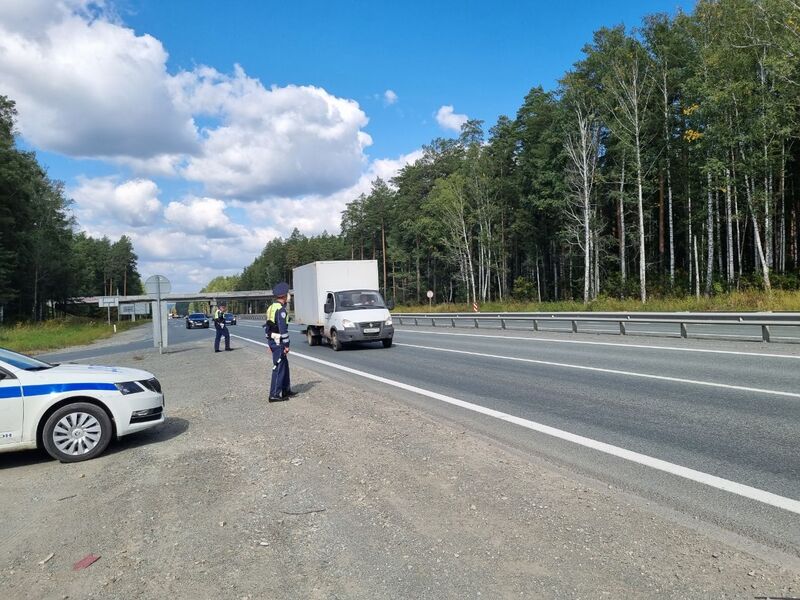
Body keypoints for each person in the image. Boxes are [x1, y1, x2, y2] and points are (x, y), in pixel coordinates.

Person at [266, 282, 296, 401]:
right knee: (278, 367)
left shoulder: (271, 307)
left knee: (284, 366)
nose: (289, 296)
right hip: (279, 342)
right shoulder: (281, 310)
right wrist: (286, 345)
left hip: (274, 341)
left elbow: (267, 327)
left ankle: (285, 390)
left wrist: (269, 343)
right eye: (288, 293)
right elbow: (283, 330)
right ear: (284, 295)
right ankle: (274, 394)